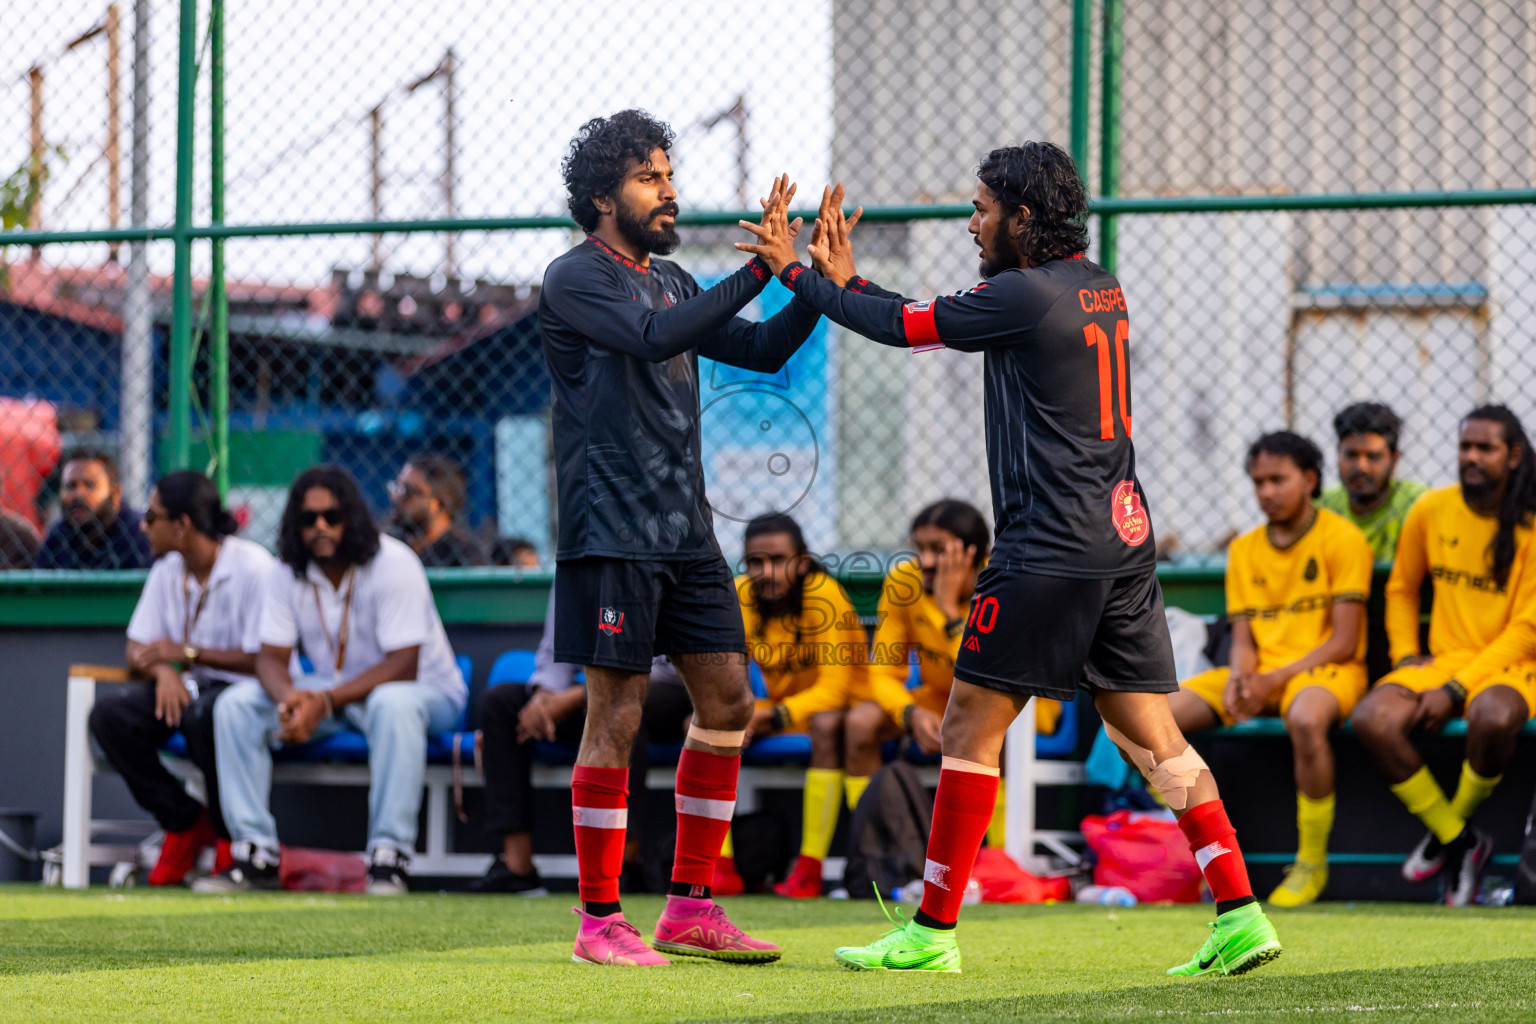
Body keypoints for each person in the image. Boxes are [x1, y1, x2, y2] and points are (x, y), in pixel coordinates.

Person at [740, 151, 1281, 975]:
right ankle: (1239, 911)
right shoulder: (1096, 283)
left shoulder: (1022, 294)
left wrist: (794, 273)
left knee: (966, 728)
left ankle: (929, 933)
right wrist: (844, 284)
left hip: (1049, 548)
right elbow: (919, 311)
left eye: (982, 207)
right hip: (1121, 540)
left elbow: (905, 327)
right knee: (1152, 733)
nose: (970, 222)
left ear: (1022, 218)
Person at [539, 109, 823, 966]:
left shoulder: (671, 280)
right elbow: (657, 339)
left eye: (669, 174)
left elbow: (768, 348)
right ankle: (599, 921)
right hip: (611, 527)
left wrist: (807, 283)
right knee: (616, 712)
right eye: (649, 177)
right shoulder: (574, 278)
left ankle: (691, 906)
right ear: (601, 197)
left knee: (730, 701)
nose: (669, 190)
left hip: (686, 530)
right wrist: (761, 269)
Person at [194, 465, 467, 895]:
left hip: (424, 692)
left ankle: (388, 857)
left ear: (352, 517)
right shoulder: (287, 571)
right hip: (333, 694)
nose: (320, 527)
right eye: (308, 519)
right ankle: (255, 854)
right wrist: (290, 701)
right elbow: (270, 658)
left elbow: (404, 665)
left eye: (331, 517)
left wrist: (321, 702)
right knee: (236, 705)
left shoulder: (393, 562)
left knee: (391, 704)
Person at [1169, 433, 1373, 907]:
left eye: (1278, 480)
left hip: (1327, 672)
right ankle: (1203, 853)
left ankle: (1311, 862)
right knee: (1151, 720)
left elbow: (1343, 641)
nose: (1266, 492)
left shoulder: (1343, 538)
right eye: (1258, 482)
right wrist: (1242, 677)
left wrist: (1269, 681)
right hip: (1261, 675)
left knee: (1305, 718)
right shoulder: (1243, 549)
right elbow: (1242, 639)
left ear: (1310, 479)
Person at [1351, 406, 1536, 906]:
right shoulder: (1432, 509)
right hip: (1443, 661)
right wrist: (1408, 654)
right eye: (1464, 447)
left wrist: (1456, 689)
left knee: (1492, 715)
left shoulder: (1531, 523)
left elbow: (1526, 630)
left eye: (1485, 448)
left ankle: (1445, 836)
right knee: (1371, 718)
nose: (1471, 457)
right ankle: (1459, 839)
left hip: (1514, 666)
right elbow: (1402, 590)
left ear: (1514, 456)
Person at [845, 499, 1062, 857]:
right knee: (860, 724)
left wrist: (947, 610)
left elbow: (994, 672)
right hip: (944, 698)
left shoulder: (1007, 580)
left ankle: (995, 860)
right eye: (920, 549)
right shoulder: (905, 581)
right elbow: (881, 674)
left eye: (938, 550)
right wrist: (909, 714)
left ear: (973, 553)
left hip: (1020, 704)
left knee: (993, 724)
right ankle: (879, 855)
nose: (926, 561)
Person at [88, 471, 275, 885]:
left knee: (206, 714)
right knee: (110, 718)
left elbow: (268, 661)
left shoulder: (255, 567)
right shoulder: (167, 569)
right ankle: (186, 820)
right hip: (188, 688)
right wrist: (163, 671)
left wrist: (187, 654)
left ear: (182, 525)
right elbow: (136, 646)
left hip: (247, 694)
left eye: (152, 516)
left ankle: (231, 840)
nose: (143, 525)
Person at [465, 581, 692, 895]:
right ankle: (518, 869)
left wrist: (572, 697)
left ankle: (622, 868)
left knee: (620, 709)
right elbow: (554, 650)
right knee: (500, 704)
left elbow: (667, 669)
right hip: (589, 696)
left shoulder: (670, 557)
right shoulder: (576, 562)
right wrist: (544, 699)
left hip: (663, 693)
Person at [730, 513, 865, 899]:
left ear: (802, 562)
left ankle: (810, 868)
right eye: (755, 562)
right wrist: (744, 714)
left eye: (778, 560)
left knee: (824, 724)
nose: (766, 572)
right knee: (706, 721)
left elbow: (836, 688)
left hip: (842, 711)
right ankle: (715, 868)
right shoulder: (740, 595)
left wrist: (770, 716)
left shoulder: (824, 594)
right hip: (779, 711)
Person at [1318, 403, 1427, 562]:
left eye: (1373, 457)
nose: (1361, 467)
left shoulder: (1417, 504)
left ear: (1394, 459)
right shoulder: (1320, 506)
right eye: (1351, 455)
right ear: (1338, 454)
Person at [34, 447, 152, 569]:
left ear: (115, 493)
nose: (78, 494)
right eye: (70, 486)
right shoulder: (58, 536)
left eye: (89, 485)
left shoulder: (138, 533)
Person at [387, 454, 486, 567]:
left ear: (440, 504)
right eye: (397, 487)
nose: (396, 497)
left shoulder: (463, 556)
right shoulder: (391, 547)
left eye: (408, 491)